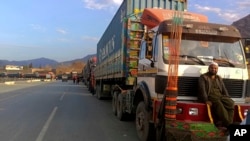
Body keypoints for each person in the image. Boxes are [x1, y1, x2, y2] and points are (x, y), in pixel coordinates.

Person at [198, 62, 234, 128]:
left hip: (220, 96)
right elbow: (202, 90)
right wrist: (206, 100)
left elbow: (224, 89)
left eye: (215, 68)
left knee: (231, 103)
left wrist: (228, 97)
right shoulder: (203, 77)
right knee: (219, 105)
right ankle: (228, 124)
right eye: (212, 68)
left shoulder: (218, 78)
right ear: (209, 68)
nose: (213, 69)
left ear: (217, 69)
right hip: (210, 96)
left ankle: (229, 122)